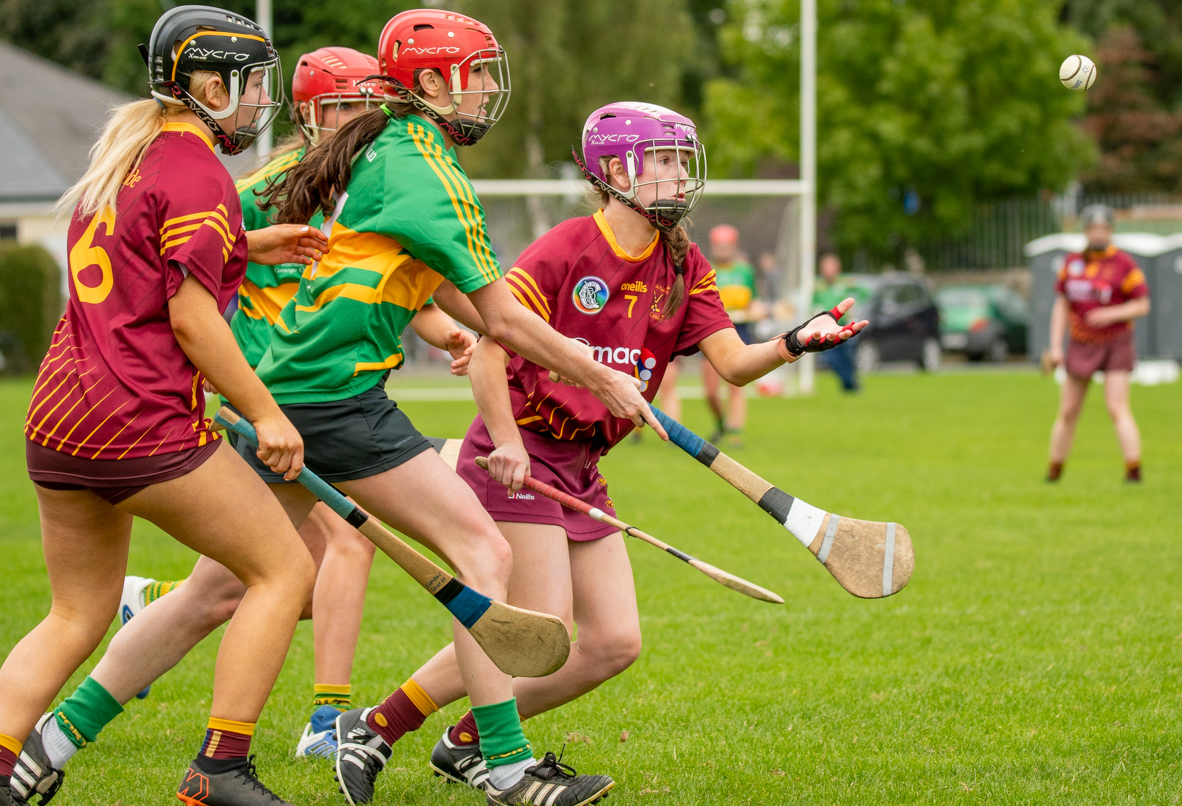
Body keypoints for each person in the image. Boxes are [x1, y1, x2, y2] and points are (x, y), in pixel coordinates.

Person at [341, 101, 866, 798]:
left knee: (613, 643)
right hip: (519, 452)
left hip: (583, 467)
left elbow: (732, 365)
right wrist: (504, 442)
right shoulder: (566, 248)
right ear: (616, 170)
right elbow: (495, 346)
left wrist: (796, 342)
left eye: (683, 160)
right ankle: (384, 726)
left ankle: (460, 740)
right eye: (665, 161)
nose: (681, 174)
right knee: (542, 628)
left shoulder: (684, 264)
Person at [252, 11, 670, 806]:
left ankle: (59, 742)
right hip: (331, 398)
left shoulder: (385, 147)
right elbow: (505, 320)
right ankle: (498, 767)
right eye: (477, 72)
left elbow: (420, 269)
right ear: (435, 83)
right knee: (480, 557)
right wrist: (603, 377)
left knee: (227, 587)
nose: (487, 89)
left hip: (291, 393)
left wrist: (445, 326)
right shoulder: (421, 164)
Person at [103, 45, 479, 765]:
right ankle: (328, 716)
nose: (356, 120)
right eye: (340, 106)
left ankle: (151, 609)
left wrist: (448, 330)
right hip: (264, 396)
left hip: (315, 398)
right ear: (306, 115)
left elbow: (404, 279)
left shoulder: (364, 182)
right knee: (346, 544)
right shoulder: (269, 183)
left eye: (365, 104)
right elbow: (175, 253)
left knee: (277, 583)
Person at [0, 7, 329, 806]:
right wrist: (269, 413)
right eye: (250, 88)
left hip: (58, 422)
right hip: (138, 422)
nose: (259, 105)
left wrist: (253, 242)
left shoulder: (128, 155)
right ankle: (220, 768)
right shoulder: (198, 169)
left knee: (76, 613)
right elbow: (189, 315)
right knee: (282, 570)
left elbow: (145, 259)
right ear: (208, 85)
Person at [1045, 204, 1150, 482]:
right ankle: (1054, 471)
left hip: (1116, 341)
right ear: (1086, 231)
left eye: (1104, 228)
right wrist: (1055, 346)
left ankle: (1134, 471)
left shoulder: (1124, 263)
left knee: (1117, 407)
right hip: (1081, 342)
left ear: (1111, 231)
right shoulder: (1073, 263)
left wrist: (1110, 313)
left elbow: (1142, 304)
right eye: (1093, 228)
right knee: (1068, 410)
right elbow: (1061, 306)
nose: (1098, 233)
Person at [700, 225, 764, 447]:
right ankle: (721, 423)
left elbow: (753, 301)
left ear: (734, 246)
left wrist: (757, 310)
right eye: (719, 245)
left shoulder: (745, 271)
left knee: (736, 385)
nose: (723, 250)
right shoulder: (705, 268)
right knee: (709, 391)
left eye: (726, 245)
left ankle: (736, 434)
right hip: (711, 331)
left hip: (740, 330)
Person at [812, 252, 860, 392]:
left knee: (848, 357)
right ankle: (848, 382)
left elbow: (864, 292)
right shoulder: (818, 287)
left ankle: (850, 384)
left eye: (831, 266)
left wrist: (856, 307)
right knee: (831, 358)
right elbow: (812, 304)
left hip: (843, 327)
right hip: (825, 330)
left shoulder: (845, 283)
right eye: (826, 267)